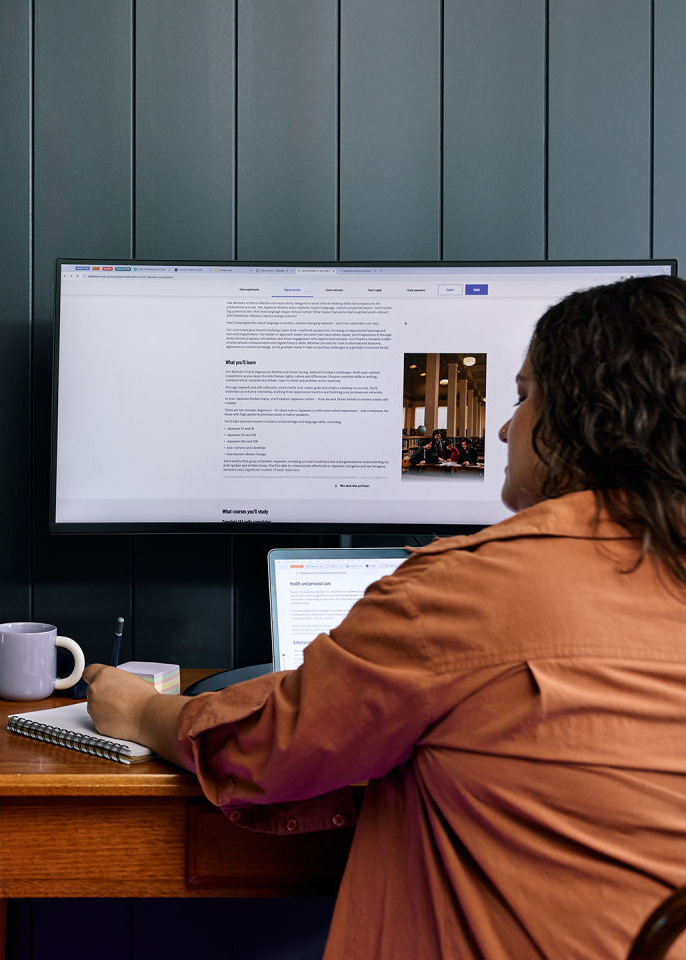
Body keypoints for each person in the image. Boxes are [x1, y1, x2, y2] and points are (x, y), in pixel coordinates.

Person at [83, 275, 686, 960]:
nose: (502, 426)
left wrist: (142, 712)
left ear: (582, 417)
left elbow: (273, 749)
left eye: (522, 397)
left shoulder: (472, 588)